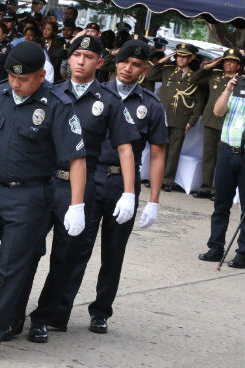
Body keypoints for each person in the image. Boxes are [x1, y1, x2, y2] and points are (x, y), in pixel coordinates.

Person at [0, 41, 87, 362]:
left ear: (41, 76)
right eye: (12, 76)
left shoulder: (57, 105)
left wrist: (76, 205)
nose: (16, 84)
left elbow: (77, 159)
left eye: (23, 79)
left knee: (10, 269)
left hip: (30, 197)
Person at [19, 36, 139, 344]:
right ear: (68, 58)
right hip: (43, 182)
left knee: (66, 257)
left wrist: (129, 192)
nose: (81, 61)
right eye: (76, 54)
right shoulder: (50, 92)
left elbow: (125, 148)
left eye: (88, 56)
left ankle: (43, 317)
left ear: (100, 62)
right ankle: (13, 313)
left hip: (79, 188)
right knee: (26, 250)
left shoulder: (109, 101)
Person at [46, 40, 169, 337]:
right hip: (89, 176)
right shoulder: (98, 94)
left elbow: (157, 154)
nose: (128, 68)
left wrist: (152, 200)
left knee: (114, 252)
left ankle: (101, 311)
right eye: (124, 61)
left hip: (121, 183)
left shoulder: (151, 105)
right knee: (77, 247)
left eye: (136, 64)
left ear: (145, 69)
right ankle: (60, 311)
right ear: (114, 62)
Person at [198, 74, 245, 268]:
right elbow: (218, 111)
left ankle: (242, 253)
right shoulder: (235, 89)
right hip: (227, 151)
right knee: (221, 204)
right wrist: (227, 90)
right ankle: (215, 247)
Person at [145, 43, 204, 191]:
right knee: (159, 148)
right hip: (163, 116)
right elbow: (149, 75)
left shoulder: (194, 77)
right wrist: (161, 61)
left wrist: (192, 121)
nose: (180, 59)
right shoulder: (168, 71)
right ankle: (155, 177)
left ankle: (167, 180)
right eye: (178, 56)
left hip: (180, 119)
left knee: (173, 151)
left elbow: (199, 102)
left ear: (190, 59)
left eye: (184, 57)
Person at [190, 49, 242, 200]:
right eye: (226, 61)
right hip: (211, 121)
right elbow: (193, 79)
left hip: (228, 124)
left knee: (222, 159)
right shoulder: (214, 75)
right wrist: (209, 65)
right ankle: (205, 187)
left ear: (238, 66)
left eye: (232, 61)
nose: (228, 63)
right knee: (208, 156)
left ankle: (216, 190)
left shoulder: (240, 81)